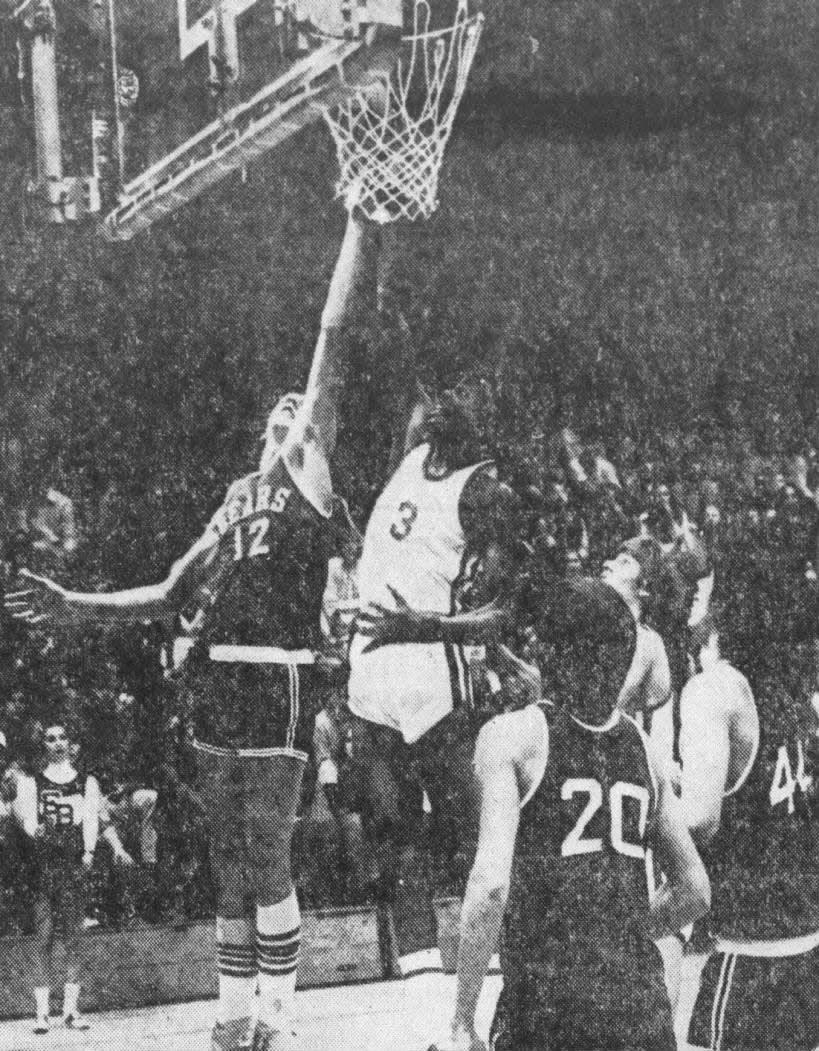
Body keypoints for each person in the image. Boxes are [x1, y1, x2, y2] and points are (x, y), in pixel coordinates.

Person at [6, 211, 381, 1051]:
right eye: (281, 410)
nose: (295, 410)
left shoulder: (309, 474)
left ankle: (280, 1018)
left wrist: (362, 228)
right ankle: (231, 1012)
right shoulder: (238, 495)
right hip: (216, 674)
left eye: (302, 409)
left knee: (267, 850)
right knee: (226, 860)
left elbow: (334, 334)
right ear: (262, 432)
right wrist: (75, 603)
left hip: (277, 671)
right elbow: (172, 591)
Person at [439, 579, 710, 1051]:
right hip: (638, 1007)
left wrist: (464, 1018)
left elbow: (490, 886)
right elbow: (694, 890)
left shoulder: (511, 737)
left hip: (548, 1009)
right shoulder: (643, 749)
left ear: (547, 649)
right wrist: (618, 932)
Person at [349, 387, 514, 926]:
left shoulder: (486, 491)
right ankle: (416, 973)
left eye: (464, 400)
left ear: (484, 421)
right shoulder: (414, 458)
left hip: (430, 667)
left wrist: (424, 625)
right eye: (444, 395)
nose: (444, 403)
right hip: (371, 662)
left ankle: (500, 952)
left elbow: (505, 610)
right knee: (392, 830)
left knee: (469, 828)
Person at [683, 611, 819, 1051]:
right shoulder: (796, 696)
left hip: (749, 955)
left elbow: (701, 819)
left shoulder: (716, 690)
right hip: (805, 941)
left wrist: (660, 808)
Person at [12, 720, 106, 1033]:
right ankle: (41, 1014)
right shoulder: (33, 783)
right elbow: (24, 817)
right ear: (45, 745)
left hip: (72, 866)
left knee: (74, 939)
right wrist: (32, 829)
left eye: (62, 737)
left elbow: (91, 818)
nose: (57, 743)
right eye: (51, 739)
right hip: (44, 867)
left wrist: (89, 852)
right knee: (44, 938)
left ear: (70, 742)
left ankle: (71, 1012)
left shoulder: (86, 782)